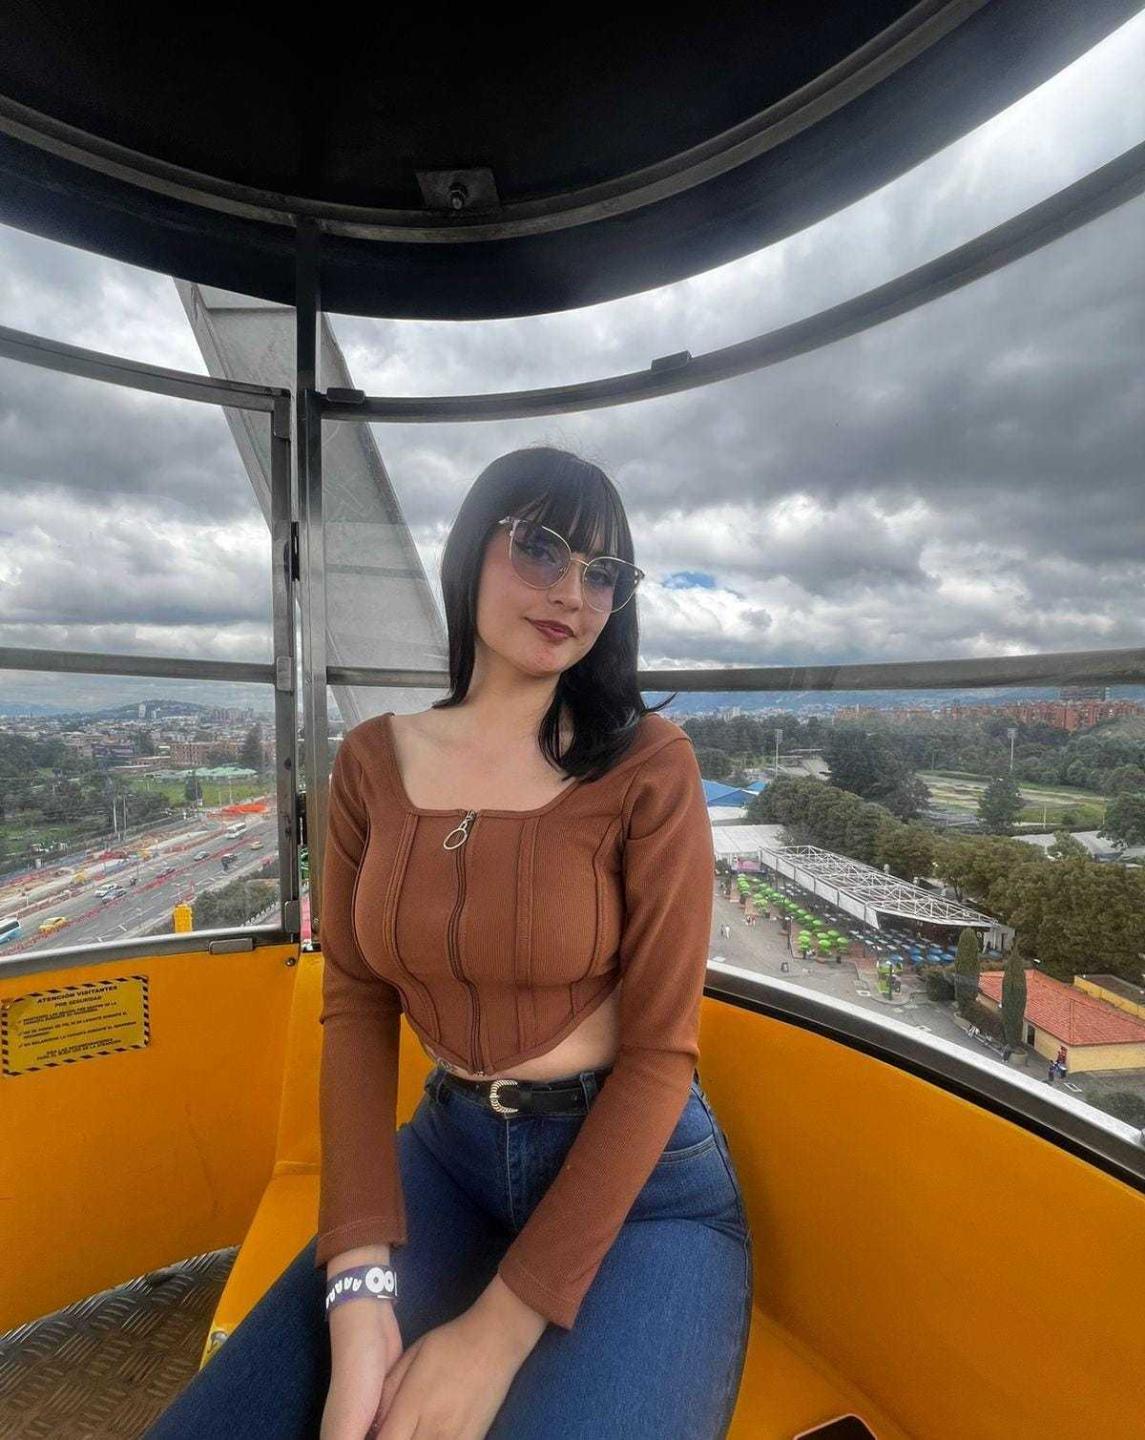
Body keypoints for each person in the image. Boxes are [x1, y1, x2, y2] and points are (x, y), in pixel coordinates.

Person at [144, 447, 752, 1440]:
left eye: (603, 573)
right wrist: (356, 1291)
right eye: (542, 548)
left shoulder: (647, 765)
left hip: (640, 1187)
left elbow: (658, 1055)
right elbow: (355, 1012)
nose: (572, 592)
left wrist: (494, 1335)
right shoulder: (371, 765)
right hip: (448, 1157)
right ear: (471, 552)